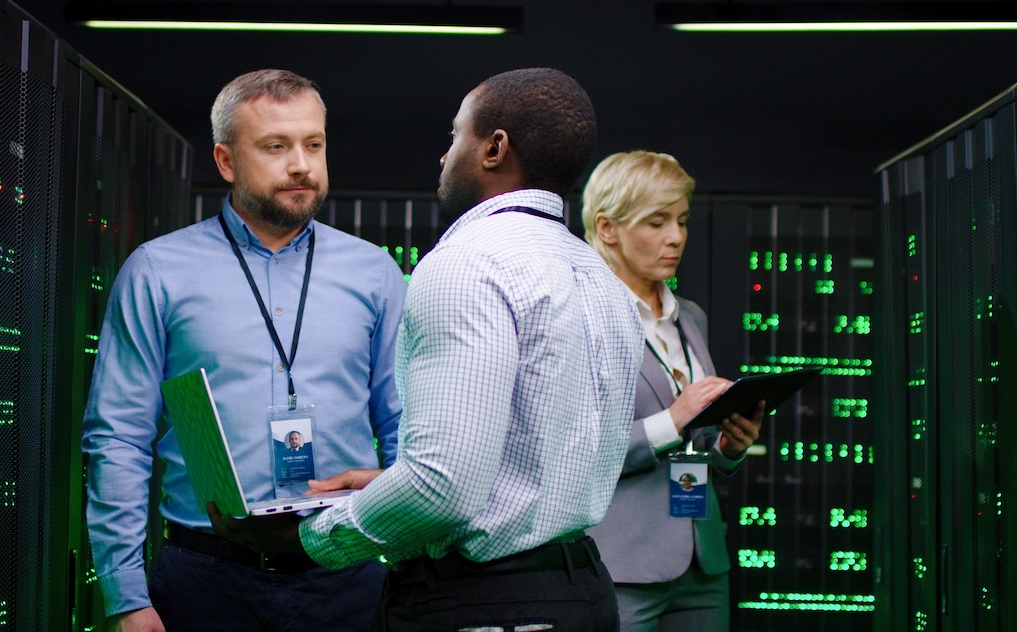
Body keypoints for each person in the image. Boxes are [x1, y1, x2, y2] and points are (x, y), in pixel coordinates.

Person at [207, 67, 644, 631]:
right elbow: (535, 461)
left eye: (454, 136)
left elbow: (445, 490)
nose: (443, 158)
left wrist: (309, 537)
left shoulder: (465, 263)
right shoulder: (598, 274)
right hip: (582, 593)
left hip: (482, 604)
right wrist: (393, 482)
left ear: (494, 149)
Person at [82, 69, 408, 632]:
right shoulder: (159, 271)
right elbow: (118, 438)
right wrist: (126, 597)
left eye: (314, 144)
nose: (301, 164)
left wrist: (409, 556)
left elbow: (406, 423)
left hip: (345, 578)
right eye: (276, 146)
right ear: (227, 161)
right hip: (204, 578)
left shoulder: (375, 273)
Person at [581, 150, 764, 632]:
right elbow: (579, 452)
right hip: (622, 564)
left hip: (703, 560)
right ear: (607, 228)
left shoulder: (691, 316)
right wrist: (675, 418)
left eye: (681, 220)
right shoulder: (583, 320)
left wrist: (728, 447)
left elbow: (698, 448)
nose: (676, 237)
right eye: (657, 222)